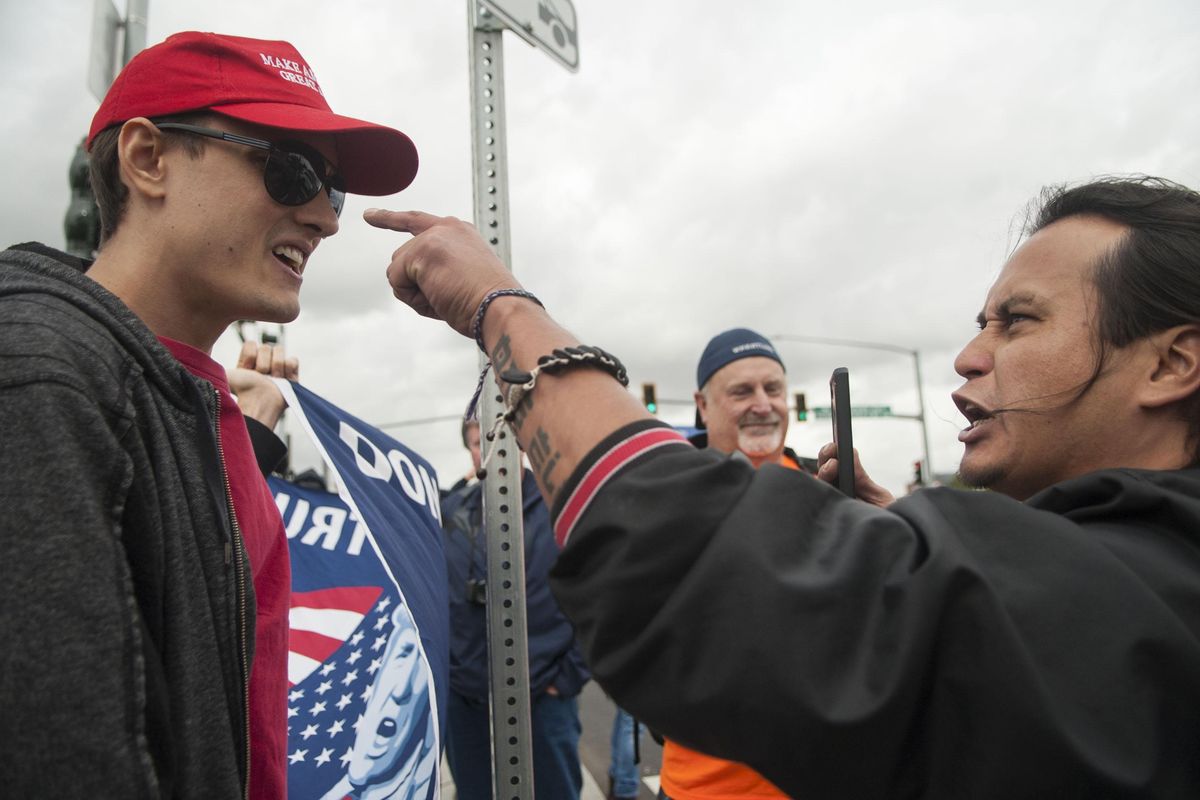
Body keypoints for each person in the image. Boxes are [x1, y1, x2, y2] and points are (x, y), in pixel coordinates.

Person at [365, 174, 1200, 797]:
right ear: (700, 407)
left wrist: (502, 309)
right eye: (979, 322)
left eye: (1017, 322)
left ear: (1170, 363)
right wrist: (910, 541)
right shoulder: (1113, 565)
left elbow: (684, 561)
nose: (969, 356)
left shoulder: (1142, 588)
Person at [0, 31, 417, 798]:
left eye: (337, 190)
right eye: (291, 169)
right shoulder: (42, 381)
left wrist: (244, 435)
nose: (325, 218)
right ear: (148, 159)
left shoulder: (191, 405)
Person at [654, 329, 804, 800]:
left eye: (773, 389)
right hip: (700, 789)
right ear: (703, 404)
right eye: (742, 391)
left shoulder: (833, 495)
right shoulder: (667, 505)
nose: (763, 405)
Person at [440, 417, 591, 800]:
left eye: (499, 440)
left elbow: (596, 594)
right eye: (478, 443)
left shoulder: (560, 505)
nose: (488, 451)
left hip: (542, 692)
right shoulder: (451, 512)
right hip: (466, 695)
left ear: (522, 446)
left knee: (555, 791)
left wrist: (568, 676)